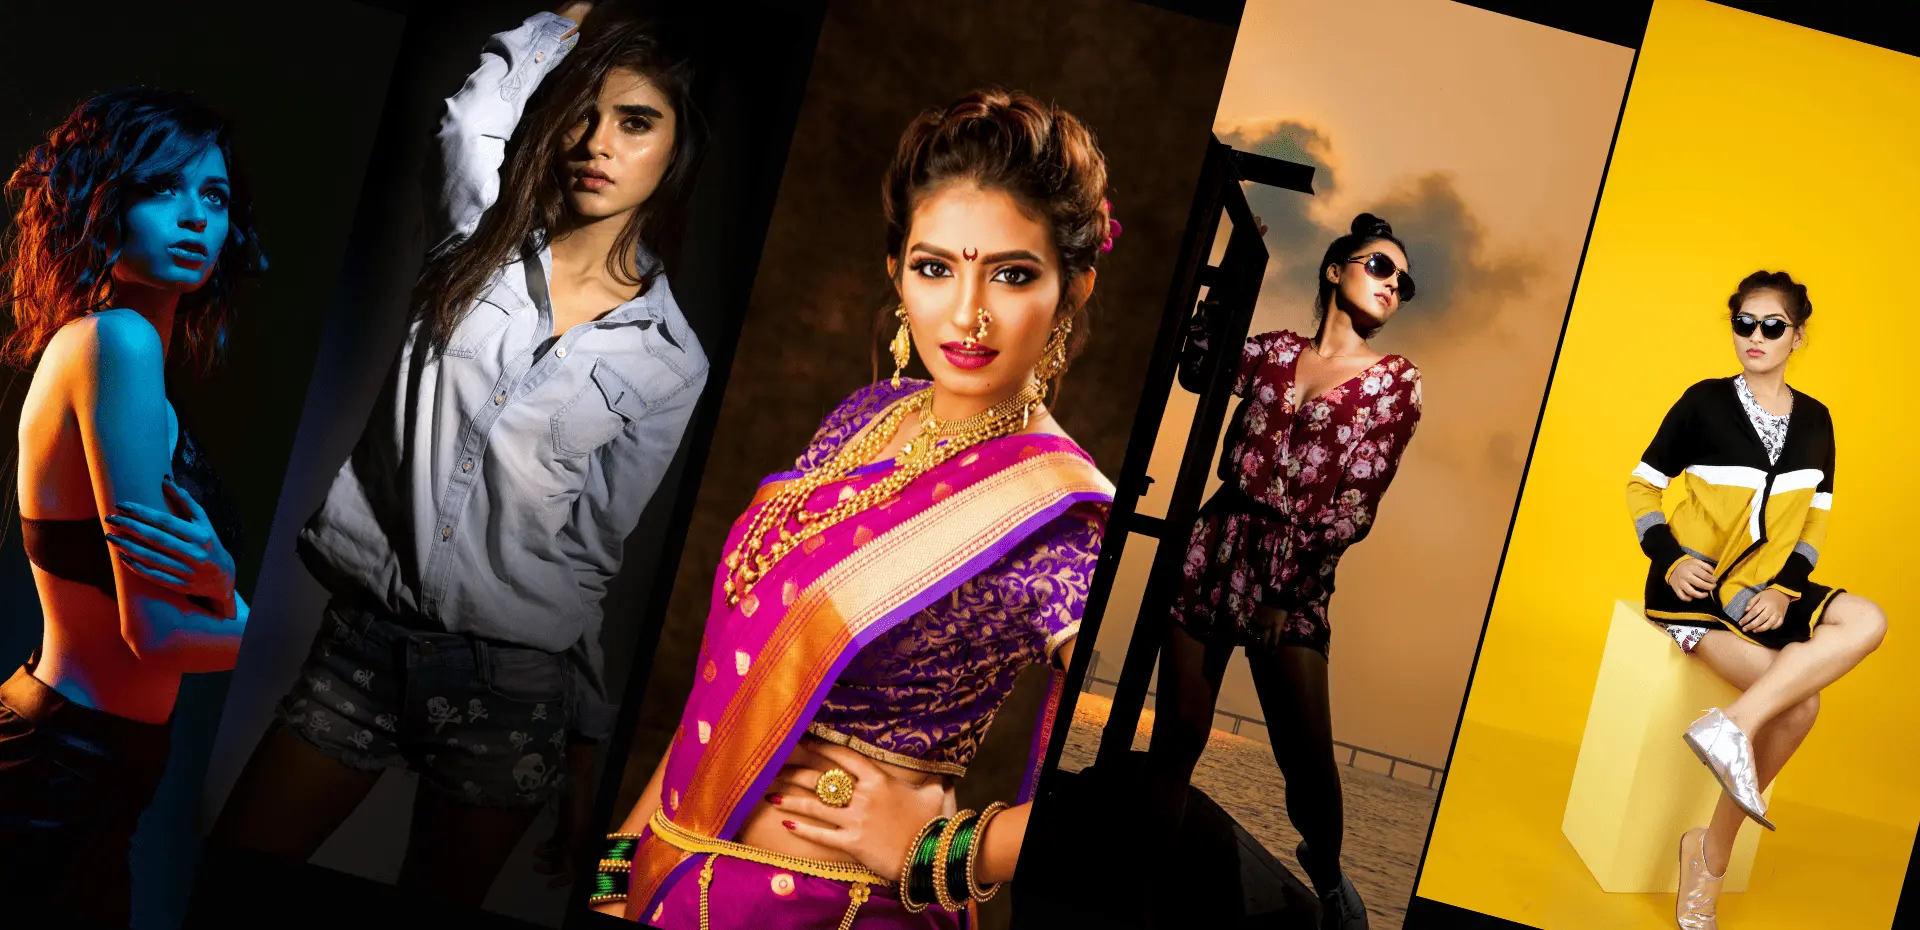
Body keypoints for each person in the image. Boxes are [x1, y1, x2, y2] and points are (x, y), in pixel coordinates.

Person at [207, 1, 709, 906]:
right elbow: (465, 118)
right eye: (583, 116)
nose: (597, 142)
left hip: (512, 689)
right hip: (360, 649)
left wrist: (588, 748)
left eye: (636, 123)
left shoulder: (671, 361)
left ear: (676, 150)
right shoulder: (477, 240)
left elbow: (594, 552)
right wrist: (559, 23)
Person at [590, 88, 1119, 929]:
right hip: (669, 877)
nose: (967, 314)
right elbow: (732, 677)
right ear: (897, 272)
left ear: (1074, 290)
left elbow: (1134, 796)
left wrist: (942, 852)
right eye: (935, 267)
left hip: (841, 911)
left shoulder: (1067, 524)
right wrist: (618, 867)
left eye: (1012, 275)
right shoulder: (863, 417)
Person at [0, 86, 264, 925]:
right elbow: (152, 631)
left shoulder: (120, 352)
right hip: (60, 770)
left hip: (93, 766)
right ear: (102, 203)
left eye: (213, 196)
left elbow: (176, 610)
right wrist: (268, 632)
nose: (195, 218)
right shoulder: (116, 342)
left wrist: (222, 584)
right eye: (163, 188)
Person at [1145, 213, 1422, 930]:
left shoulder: (1394, 383)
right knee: (1178, 730)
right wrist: (1233, 274)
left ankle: (1329, 879)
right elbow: (1199, 369)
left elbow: (1357, 501)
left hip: (1294, 571)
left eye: (1404, 280)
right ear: (1335, 270)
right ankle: (1141, 885)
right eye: (1380, 267)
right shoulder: (1271, 352)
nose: (1395, 285)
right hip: (1216, 544)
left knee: (1305, 764)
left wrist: (1284, 593)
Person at [1625, 270, 1886, 930]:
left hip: (1767, 590)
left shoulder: (1817, 420)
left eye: (1772, 326)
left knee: (1869, 619)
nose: (1756, 336)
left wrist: (1785, 589)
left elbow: (1816, 522)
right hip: (1699, 595)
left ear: (1797, 336)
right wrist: (1671, 558)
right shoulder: (1703, 403)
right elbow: (1642, 488)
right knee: (1801, 705)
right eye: (1744, 323)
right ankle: (1709, 860)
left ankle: (1732, 727)